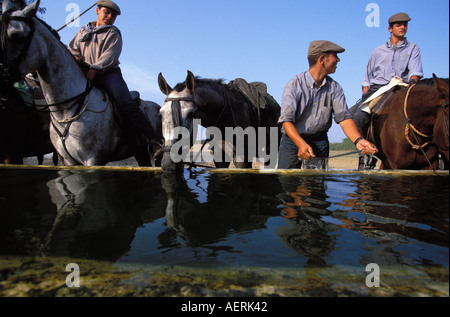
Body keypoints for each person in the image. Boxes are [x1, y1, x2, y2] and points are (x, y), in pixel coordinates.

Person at [68, 0, 158, 154]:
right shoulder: (82, 32)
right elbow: (73, 49)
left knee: (126, 103)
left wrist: (94, 69)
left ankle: (153, 141)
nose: (109, 17)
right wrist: (76, 59)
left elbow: (110, 55)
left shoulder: (113, 32)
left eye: (113, 15)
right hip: (84, 73)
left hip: (107, 73)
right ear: (97, 11)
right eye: (106, 12)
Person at [277, 40, 378, 170]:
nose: (338, 60)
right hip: (292, 141)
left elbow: (344, 118)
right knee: (286, 184)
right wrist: (300, 143)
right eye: (335, 56)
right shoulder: (294, 85)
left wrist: (358, 141)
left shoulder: (335, 88)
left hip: (319, 142)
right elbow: (286, 121)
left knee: (316, 187)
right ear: (322, 59)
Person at [352, 12, 423, 168]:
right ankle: (365, 153)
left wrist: (411, 85)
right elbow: (367, 77)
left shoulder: (413, 48)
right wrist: (365, 93)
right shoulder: (378, 51)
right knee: (357, 116)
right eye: (399, 25)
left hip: (402, 87)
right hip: (379, 89)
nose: (403, 27)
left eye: (405, 24)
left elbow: (416, 73)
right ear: (390, 29)